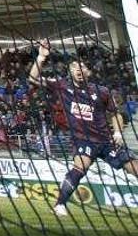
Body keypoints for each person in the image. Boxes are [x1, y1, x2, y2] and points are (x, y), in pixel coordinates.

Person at [28, 39, 138, 216]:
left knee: (134, 167)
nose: (78, 70)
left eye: (82, 68)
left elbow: (116, 114)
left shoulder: (101, 91)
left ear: (88, 72)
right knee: (80, 167)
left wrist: (117, 132)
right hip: (83, 138)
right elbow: (33, 78)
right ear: (70, 72)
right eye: (74, 68)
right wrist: (41, 57)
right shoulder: (62, 86)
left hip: (106, 140)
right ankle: (60, 205)